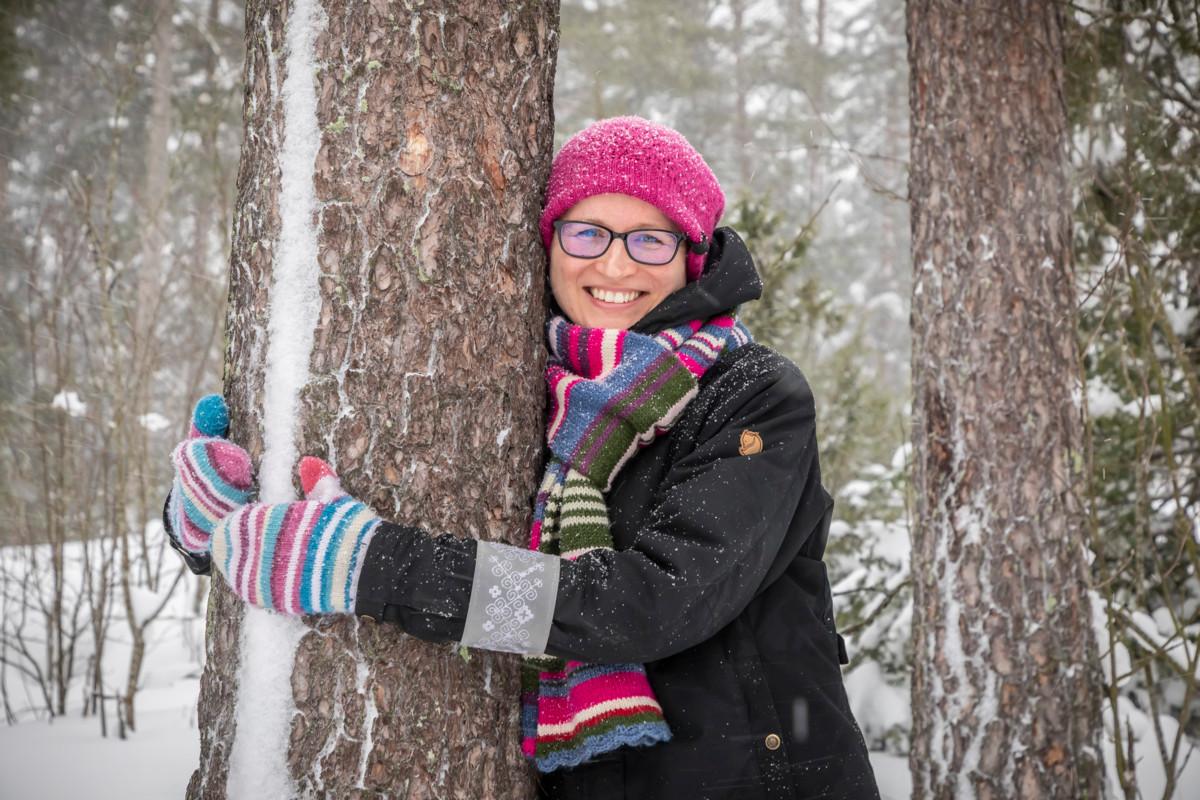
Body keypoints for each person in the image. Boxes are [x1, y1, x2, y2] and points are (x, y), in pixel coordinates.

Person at [166, 116, 881, 800]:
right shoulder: (521, 386)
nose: (613, 263)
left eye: (650, 242)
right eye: (587, 232)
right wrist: (215, 528)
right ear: (549, 242)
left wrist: (374, 564)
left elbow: (649, 605)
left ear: (691, 254)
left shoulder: (752, 397)